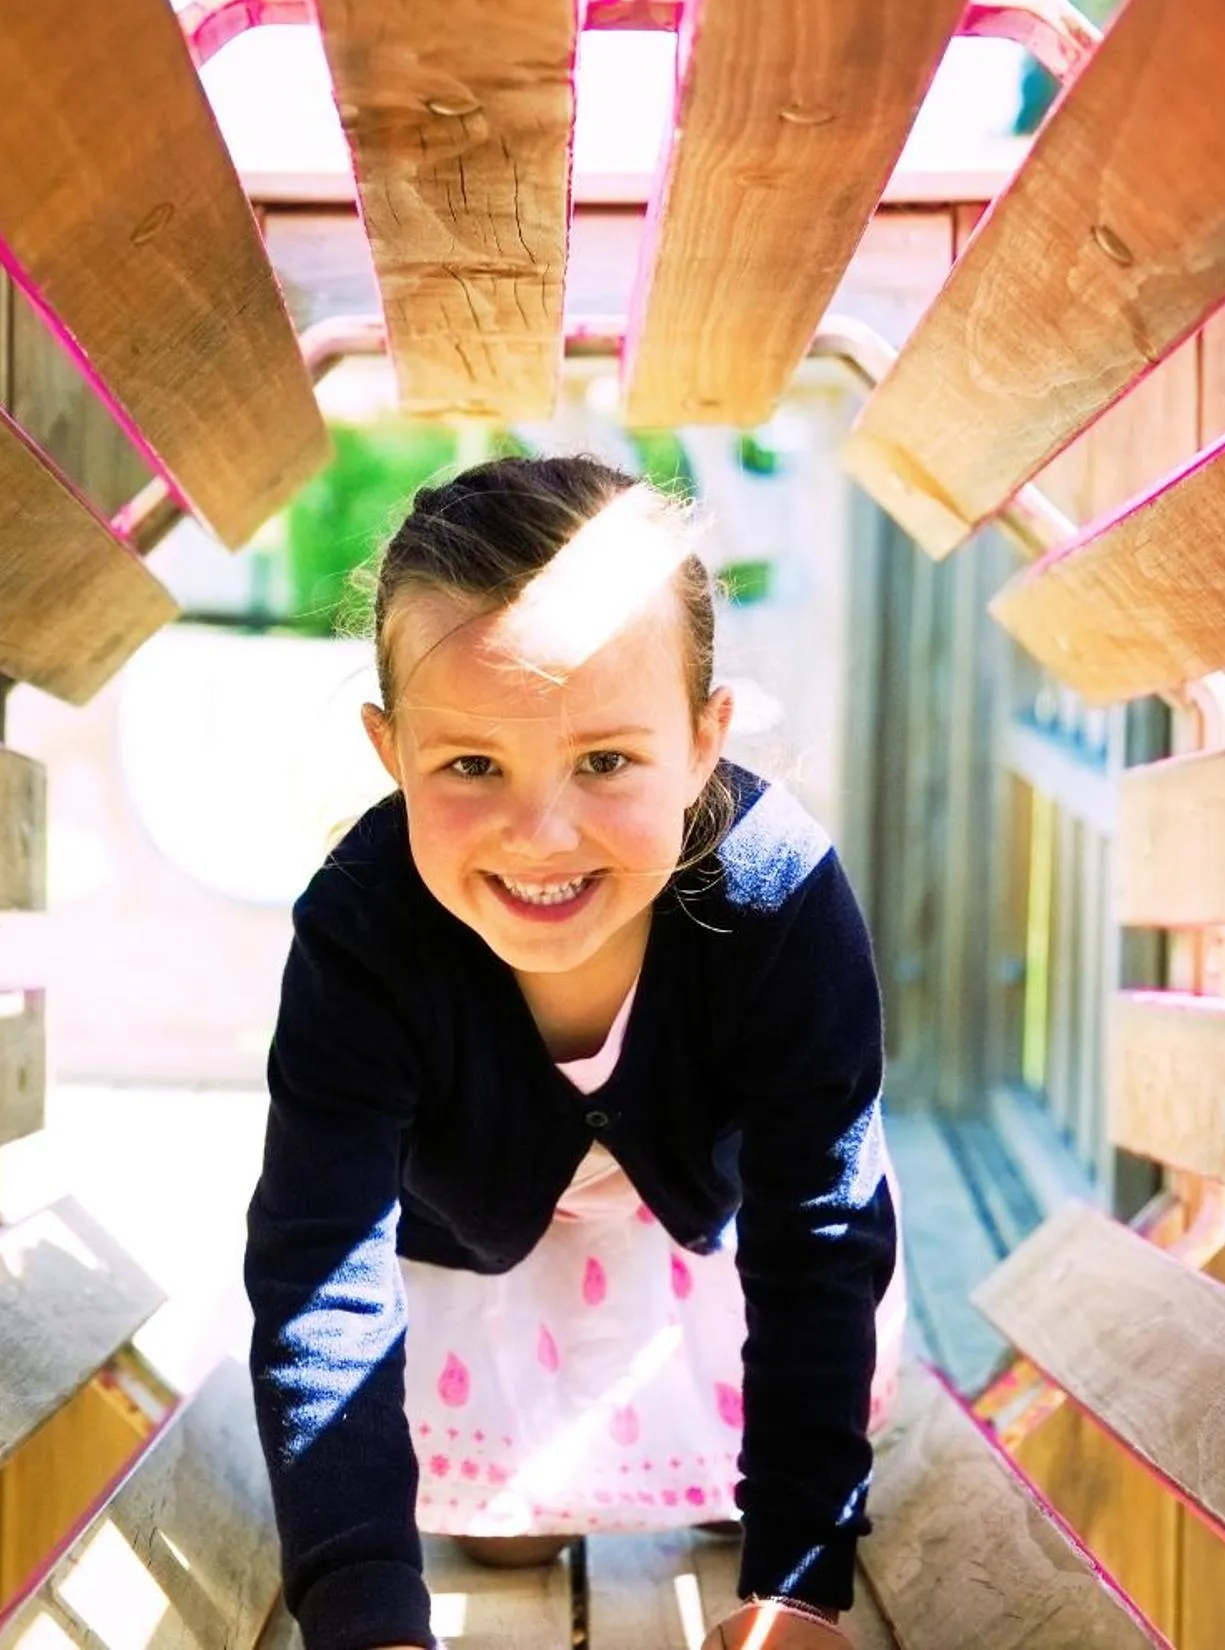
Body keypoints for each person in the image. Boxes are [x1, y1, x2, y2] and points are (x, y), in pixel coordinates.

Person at [245, 455, 905, 1650]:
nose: (540, 833)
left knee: (729, 1523)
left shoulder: (782, 893)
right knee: (507, 1534)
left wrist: (800, 1576)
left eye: (605, 760)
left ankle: (724, 1475)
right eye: (470, 765)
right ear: (390, 752)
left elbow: (816, 1223)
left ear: (706, 740)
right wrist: (365, 1616)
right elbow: (318, 1269)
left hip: (702, 1220)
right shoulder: (360, 925)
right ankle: (545, 1463)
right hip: (472, 1231)